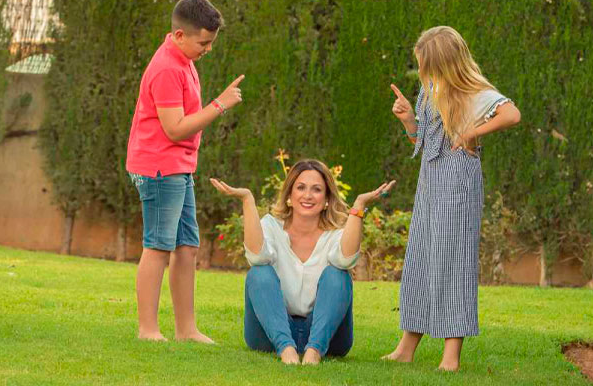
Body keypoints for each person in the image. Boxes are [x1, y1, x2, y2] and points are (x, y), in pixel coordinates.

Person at [383, 26, 521, 371]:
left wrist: (473, 131)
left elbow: (512, 114)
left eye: (426, 65)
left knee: (453, 262)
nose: (423, 72)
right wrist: (407, 121)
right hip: (429, 183)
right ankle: (406, 347)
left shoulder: (474, 91)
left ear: (446, 61)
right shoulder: (430, 89)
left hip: (458, 184)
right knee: (420, 257)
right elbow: (423, 141)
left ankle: (451, 357)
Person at [126, 0, 244, 343]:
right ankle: (148, 329)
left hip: (178, 166)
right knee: (158, 246)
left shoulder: (183, 61)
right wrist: (220, 104)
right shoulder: (166, 68)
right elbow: (174, 128)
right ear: (179, 35)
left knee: (187, 246)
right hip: (159, 168)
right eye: (203, 42)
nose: (207, 49)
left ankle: (186, 330)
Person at [209, 159, 395, 364]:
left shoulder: (335, 234)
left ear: (326, 198)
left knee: (338, 274)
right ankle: (286, 350)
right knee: (259, 273)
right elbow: (256, 257)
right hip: (269, 334)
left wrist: (359, 205)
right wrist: (247, 200)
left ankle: (314, 351)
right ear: (290, 194)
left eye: (316, 189)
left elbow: (346, 260)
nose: (307, 195)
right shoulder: (271, 226)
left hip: (327, 336)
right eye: (300, 188)